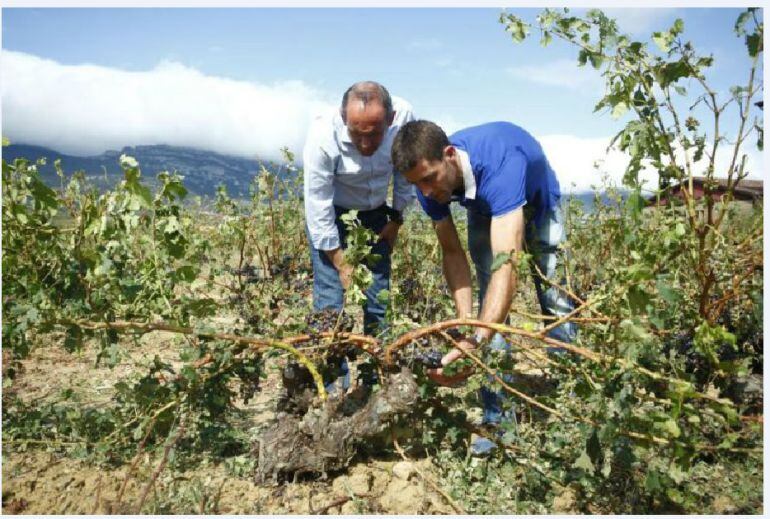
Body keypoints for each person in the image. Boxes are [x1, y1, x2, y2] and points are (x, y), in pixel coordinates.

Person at [391, 120, 577, 453]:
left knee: (555, 299)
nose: (426, 191)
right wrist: (465, 327)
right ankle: (497, 422)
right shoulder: (429, 183)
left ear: (449, 155)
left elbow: (507, 263)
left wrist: (477, 340)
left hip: (537, 202)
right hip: (482, 202)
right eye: (417, 184)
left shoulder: (500, 164)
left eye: (430, 179)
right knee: (486, 306)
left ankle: (575, 408)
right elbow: (452, 252)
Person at [303, 81, 415, 392]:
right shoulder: (322, 136)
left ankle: (375, 380)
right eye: (357, 133)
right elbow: (317, 203)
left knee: (378, 300)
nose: (366, 144)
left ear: (390, 120)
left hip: (379, 214)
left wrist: (395, 219)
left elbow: (406, 176)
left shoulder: (404, 118)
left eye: (375, 133)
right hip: (333, 218)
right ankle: (334, 387)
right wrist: (340, 262)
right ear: (343, 117)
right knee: (329, 306)